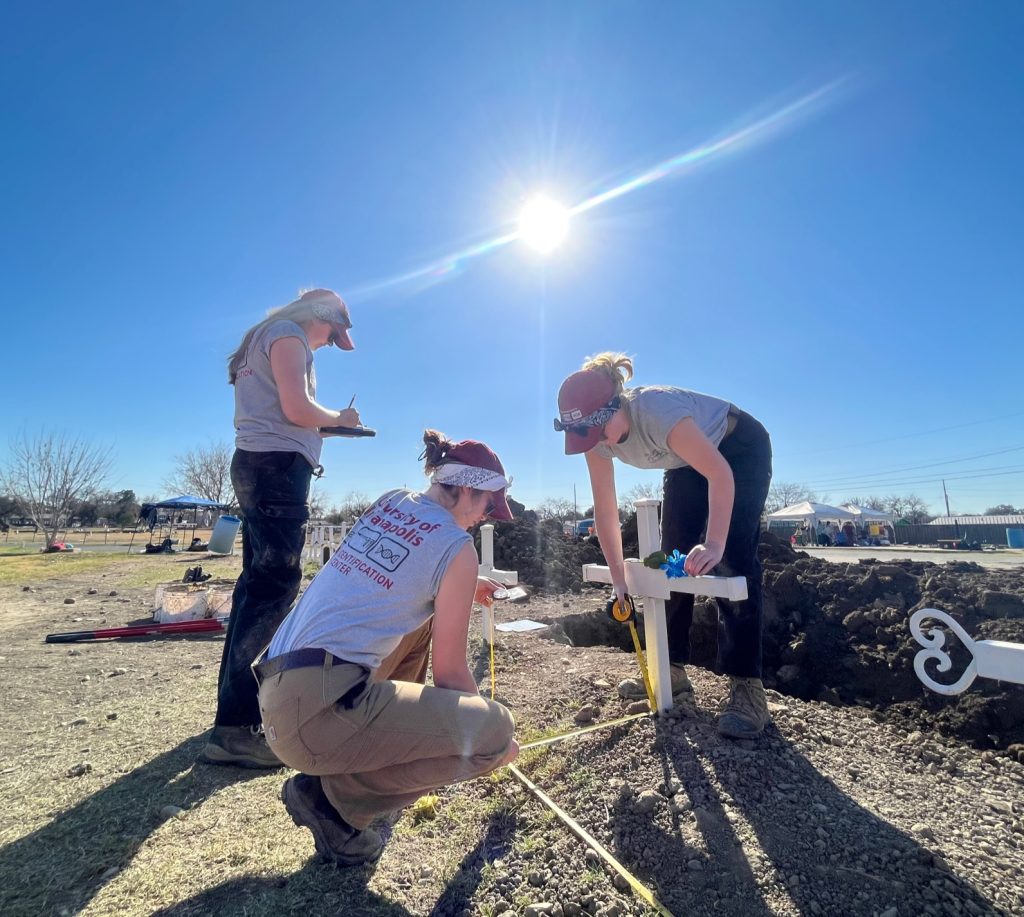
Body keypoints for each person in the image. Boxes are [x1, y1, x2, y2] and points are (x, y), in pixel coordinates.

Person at [255, 430, 519, 865]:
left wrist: (465, 587)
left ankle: (366, 750)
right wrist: (487, 743)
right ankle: (332, 801)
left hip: (278, 690)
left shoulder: (394, 499)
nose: (485, 517)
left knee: (418, 627)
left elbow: (381, 577)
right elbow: (451, 674)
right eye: (488, 504)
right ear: (468, 489)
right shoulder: (457, 548)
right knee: (492, 731)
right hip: (314, 718)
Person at [554, 353, 773, 739]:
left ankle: (747, 688)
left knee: (733, 561)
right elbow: (605, 511)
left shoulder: (656, 411)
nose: (598, 443)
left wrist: (715, 542)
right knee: (672, 560)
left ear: (613, 407)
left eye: (598, 432)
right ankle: (670, 667)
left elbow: (720, 473)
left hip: (737, 449)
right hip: (685, 460)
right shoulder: (595, 438)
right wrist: (619, 578)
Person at [200, 288, 360, 768]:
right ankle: (238, 727)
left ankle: (235, 715)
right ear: (319, 316)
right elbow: (296, 410)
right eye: (332, 334)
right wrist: (342, 417)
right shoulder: (289, 334)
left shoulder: (263, 338)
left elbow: (286, 412)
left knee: (256, 587)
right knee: (274, 587)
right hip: (276, 469)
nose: (329, 343)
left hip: (259, 462)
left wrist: (329, 427)